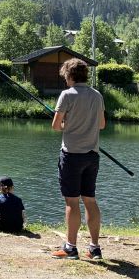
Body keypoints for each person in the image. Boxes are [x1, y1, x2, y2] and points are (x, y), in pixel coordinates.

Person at [50, 58, 105, 260]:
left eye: (65, 76)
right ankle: (94, 248)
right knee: (90, 200)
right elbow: (101, 125)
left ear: (70, 75)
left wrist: (68, 125)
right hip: (92, 156)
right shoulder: (97, 95)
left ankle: (71, 247)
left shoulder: (67, 95)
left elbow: (56, 126)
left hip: (71, 155)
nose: (65, 80)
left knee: (72, 202)